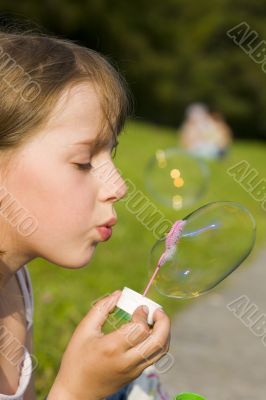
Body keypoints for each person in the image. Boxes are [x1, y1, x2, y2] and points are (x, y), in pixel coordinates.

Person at [0, 30, 171, 400]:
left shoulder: (13, 283)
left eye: (111, 153)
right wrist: (78, 390)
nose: (119, 186)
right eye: (83, 162)